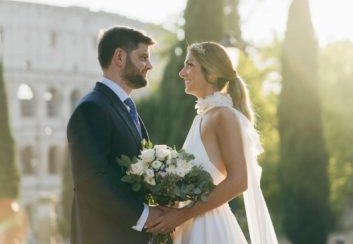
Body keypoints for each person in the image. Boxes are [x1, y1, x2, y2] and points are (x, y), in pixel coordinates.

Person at [146, 42, 278, 244]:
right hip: (189, 226)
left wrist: (181, 215)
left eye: (189, 65)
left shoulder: (224, 117)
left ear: (213, 73)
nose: (182, 73)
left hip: (210, 230)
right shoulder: (203, 116)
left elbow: (239, 181)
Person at [67, 26, 163, 244]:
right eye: (143, 58)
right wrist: (145, 216)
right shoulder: (91, 109)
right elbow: (91, 181)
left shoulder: (126, 108)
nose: (149, 65)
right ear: (120, 56)